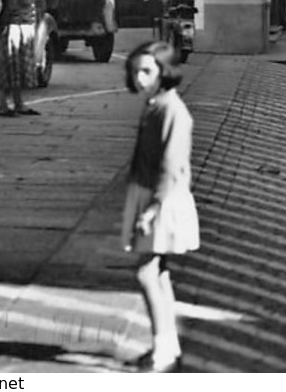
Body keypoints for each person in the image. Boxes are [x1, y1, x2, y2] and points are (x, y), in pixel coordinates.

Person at [122, 40, 199, 372]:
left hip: (162, 200)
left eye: (147, 72)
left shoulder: (171, 110)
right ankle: (169, 345)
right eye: (136, 71)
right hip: (152, 194)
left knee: (146, 273)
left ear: (164, 72)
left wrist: (152, 208)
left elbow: (171, 165)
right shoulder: (156, 104)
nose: (140, 79)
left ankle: (163, 351)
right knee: (158, 271)